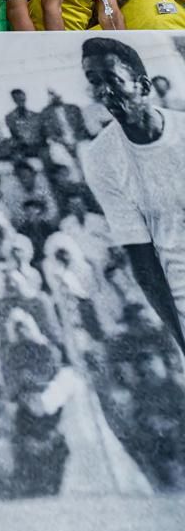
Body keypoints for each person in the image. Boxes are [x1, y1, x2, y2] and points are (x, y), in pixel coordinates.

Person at [80, 37, 185, 357]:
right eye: (95, 83)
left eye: (112, 80)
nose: (104, 93)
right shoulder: (101, 157)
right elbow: (144, 263)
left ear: (143, 85)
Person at [5, 89, 44, 154]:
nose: (20, 101)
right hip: (22, 147)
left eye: (21, 99)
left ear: (25, 97)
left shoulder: (36, 116)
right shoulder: (10, 117)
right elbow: (14, 134)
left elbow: (40, 132)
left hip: (37, 145)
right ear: (14, 100)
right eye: (17, 99)